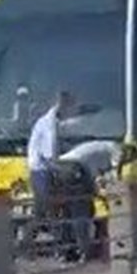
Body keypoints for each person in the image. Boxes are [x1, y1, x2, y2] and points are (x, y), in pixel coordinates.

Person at [27, 91, 88, 262]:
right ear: (63, 105)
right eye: (71, 107)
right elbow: (48, 156)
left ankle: (61, 249)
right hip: (42, 172)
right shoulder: (49, 125)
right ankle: (57, 249)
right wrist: (64, 170)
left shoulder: (51, 122)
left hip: (43, 171)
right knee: (49, 211)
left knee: (50, 211)